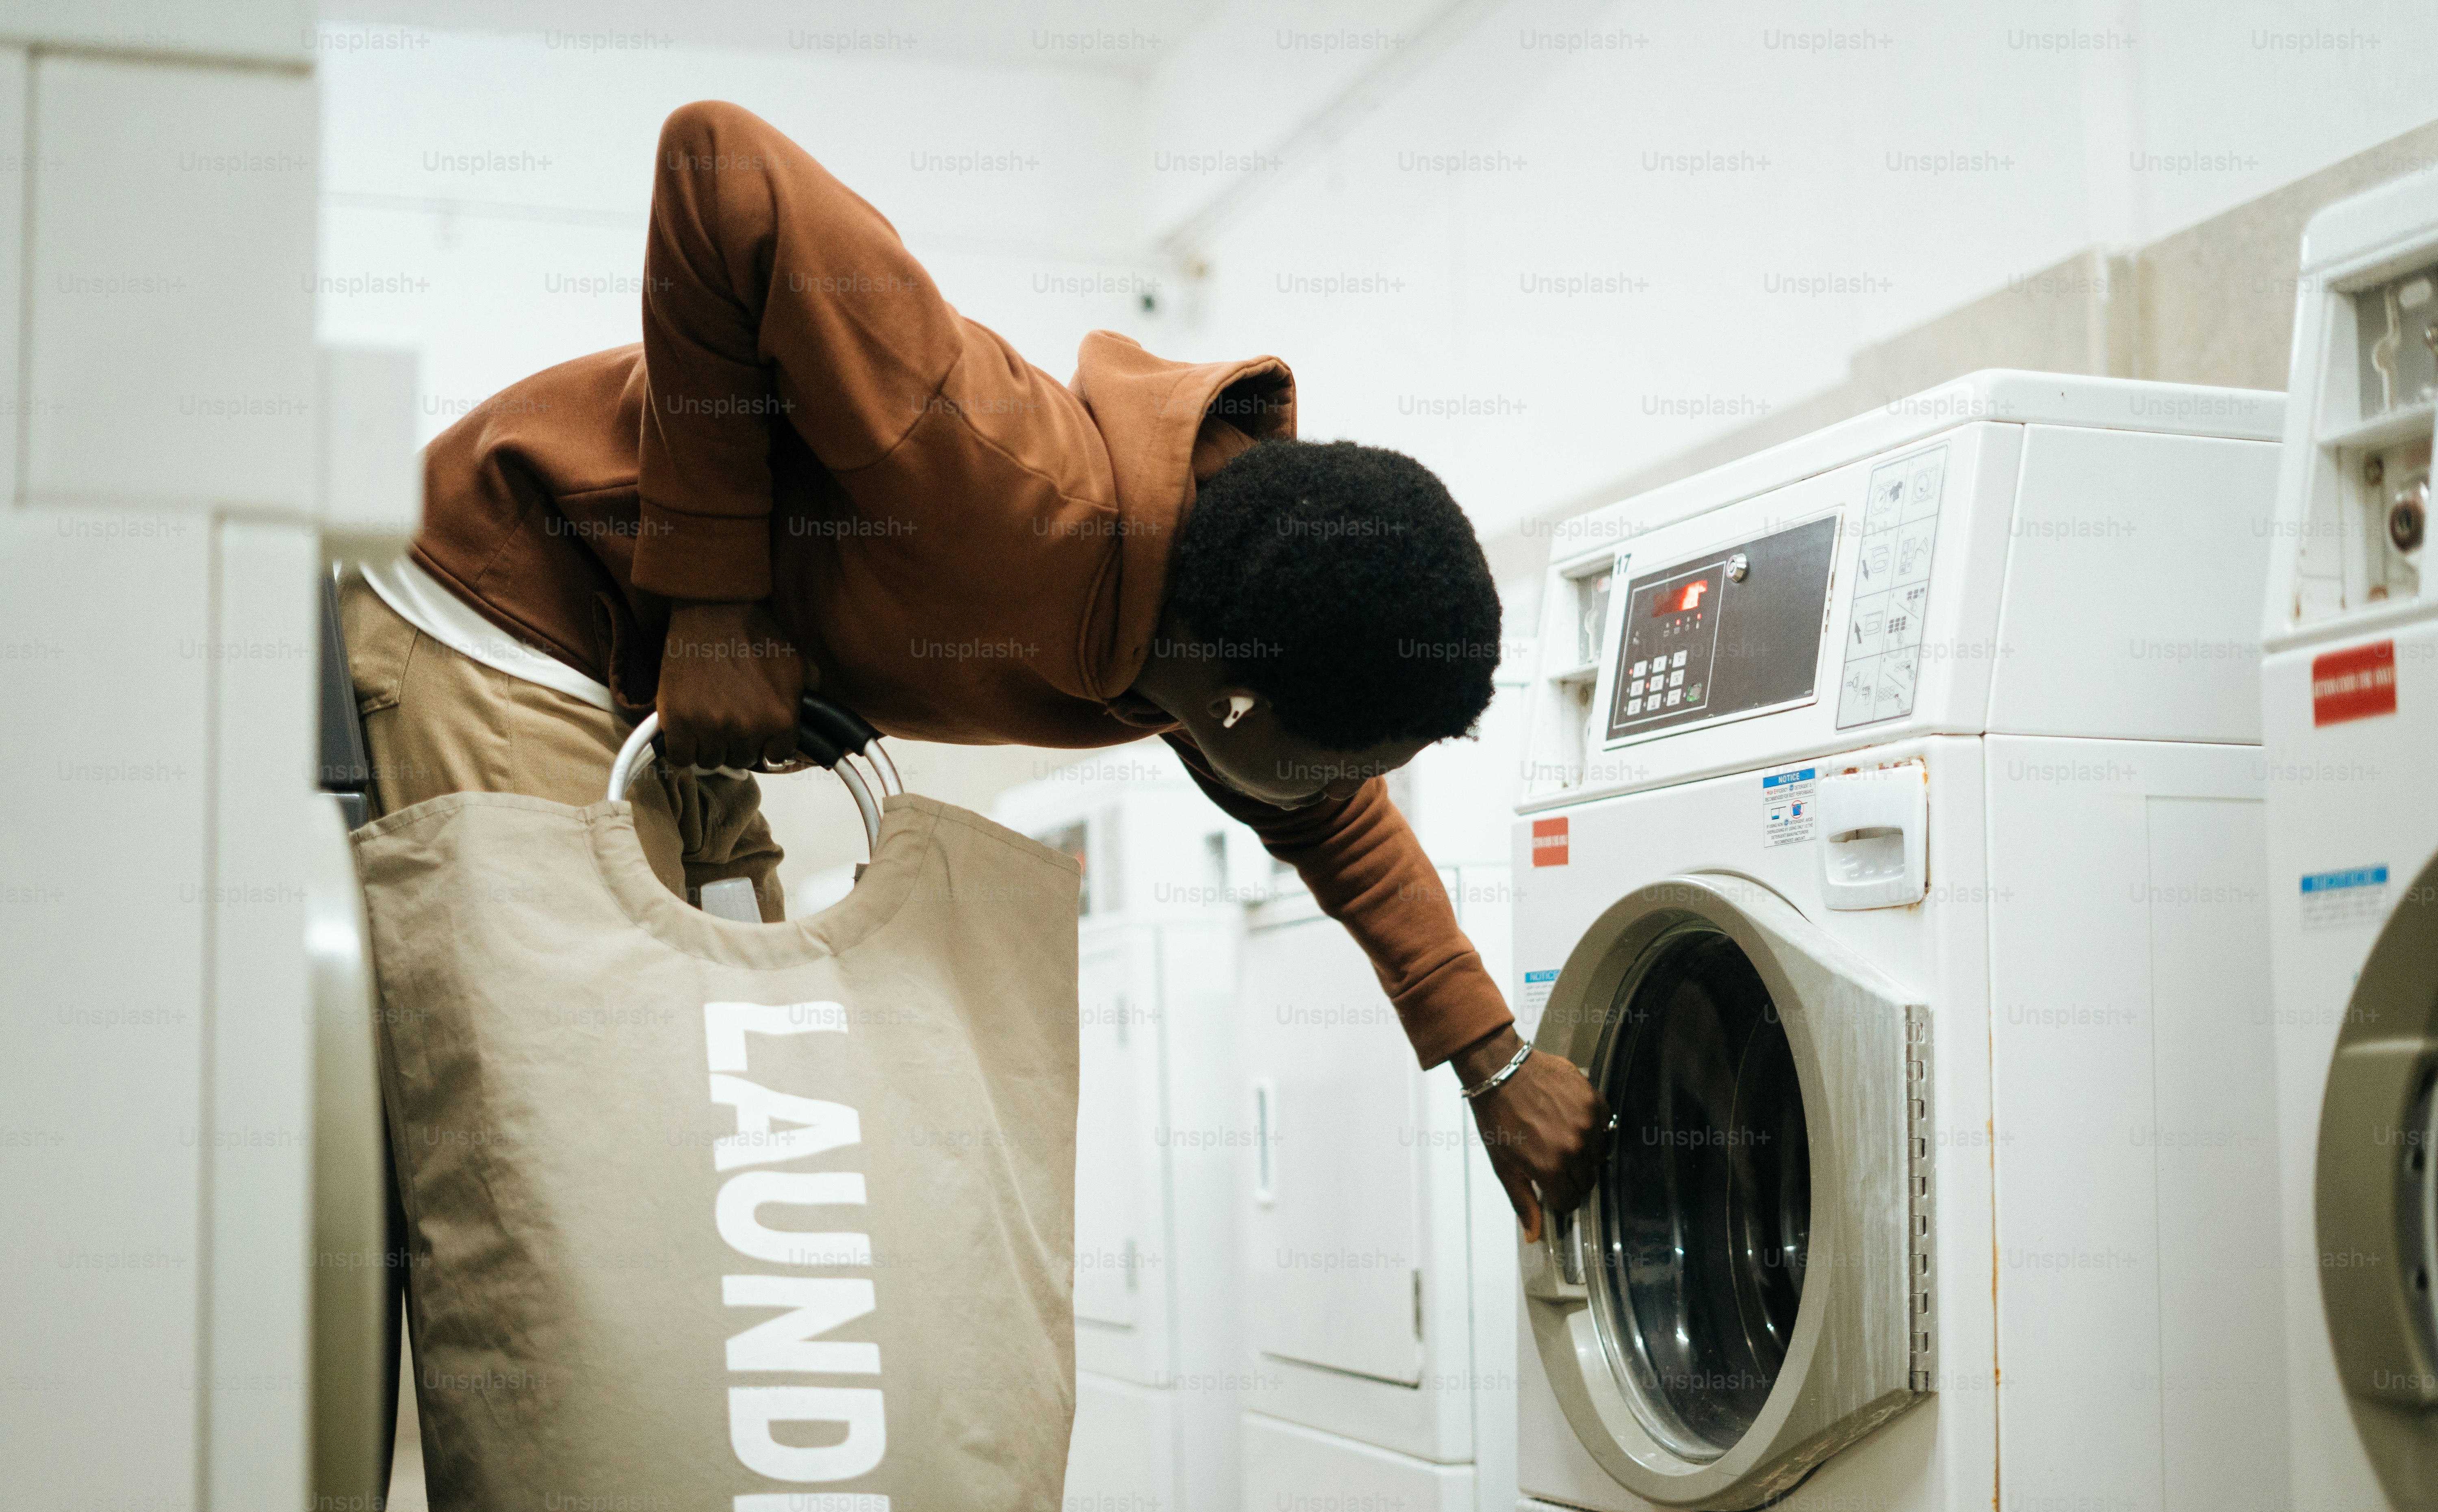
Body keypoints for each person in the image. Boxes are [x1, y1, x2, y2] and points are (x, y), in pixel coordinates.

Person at [342, 99, 1603, 1239]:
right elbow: (721, 165)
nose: (1341, 794)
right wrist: (717, 604)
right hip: (512, 597)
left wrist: (1493, 1063)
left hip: (664, 691)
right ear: (1238, 704)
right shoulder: (1003, 467)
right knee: (587, 1159)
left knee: (734, 1142)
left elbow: (1338, 830)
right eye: (1342, 763)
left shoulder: (1210, 619)